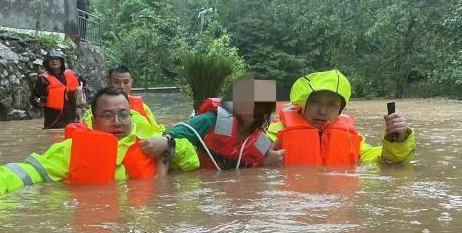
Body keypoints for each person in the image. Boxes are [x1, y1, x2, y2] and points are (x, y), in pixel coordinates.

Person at [0, 88, 199, 199]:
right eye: (108, 116)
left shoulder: (149, 144)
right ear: (94, 121)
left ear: (131, 116)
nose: (117, 122)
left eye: (123, 114)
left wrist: (168, 143)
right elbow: (28, 171)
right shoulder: (74, 151)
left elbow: (192, 161)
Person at [267, 70, 416, 165]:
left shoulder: (351, 138)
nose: (323, 111)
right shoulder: (275, 134)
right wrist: (263, 161)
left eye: (332, 105)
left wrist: (397, 139)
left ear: (340, 110)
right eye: (315, 103)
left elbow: (387, 161)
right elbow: (248, 159)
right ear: (303, 104)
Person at [138, 78, 284, 170]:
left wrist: (267, 162)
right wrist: (165, 142)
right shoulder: (211, 119)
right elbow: (174, 133)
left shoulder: (262, 142)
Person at [83, 65, 163, 137]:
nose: (122, 86)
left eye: (126, 82)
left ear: (131, 82)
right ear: (109, 83)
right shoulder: (97, 109)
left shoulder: (143, 108)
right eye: (117, 82)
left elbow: (156, 131)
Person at [31, 49, 79, 129]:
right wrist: (40, 102)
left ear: (61, 61)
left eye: (57, 59)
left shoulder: (71, 75)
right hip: (54, 122)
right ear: (47, 63)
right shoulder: (43, 80)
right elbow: (33, 99)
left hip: (72, 120)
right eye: (51, 60)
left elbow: (80, 91)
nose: (54, 61)